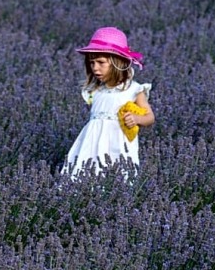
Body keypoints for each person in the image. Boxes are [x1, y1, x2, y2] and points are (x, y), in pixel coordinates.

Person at [62, 27, 155, 178]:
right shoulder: (95, 90)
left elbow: (150, 117)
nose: (95, 68)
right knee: (84, 171)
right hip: (91, 140)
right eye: (92, 63)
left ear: (118, 62)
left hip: (118, 142)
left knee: (117, 174)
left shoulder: (133, 89)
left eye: (101, 62)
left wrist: (137, 119)